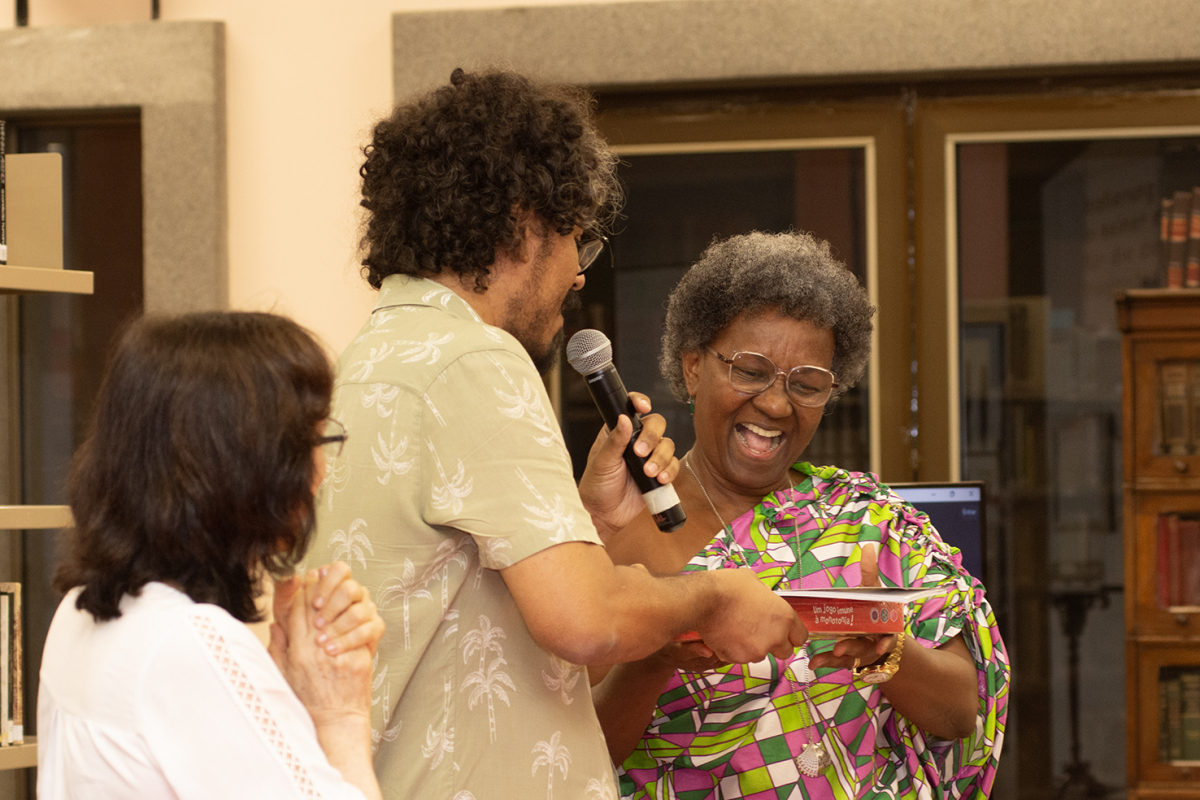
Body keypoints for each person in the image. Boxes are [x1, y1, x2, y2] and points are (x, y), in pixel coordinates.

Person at [309, 68, 807, 800]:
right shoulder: (474, 359)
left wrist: (598, 518)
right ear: (524, 221)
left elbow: (471, 600)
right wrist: (714, 598)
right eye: (578, 238)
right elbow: (586, 624)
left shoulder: (369, 357)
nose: (579, 275)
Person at [591, 231, 1010, 799]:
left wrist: (890, 653)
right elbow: (571, 747)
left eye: (807, 384)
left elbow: (962, 714)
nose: (776, 404)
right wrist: (656, 660)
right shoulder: (620, 536)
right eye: (750, 370)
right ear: (693, 368)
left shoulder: (872, 523)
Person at [38, 312, 386, 800]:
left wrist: (275, 684)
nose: (321, 471)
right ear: (246, 465)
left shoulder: (80, 609)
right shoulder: (190, 645)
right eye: (313, 442)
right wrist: (340, 715)